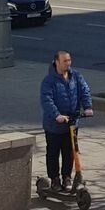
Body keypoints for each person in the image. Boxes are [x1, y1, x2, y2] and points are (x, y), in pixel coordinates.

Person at [40, 50, 93, 192]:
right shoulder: (49, 81)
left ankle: (67, 177)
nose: (68, 63)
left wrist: (87, 107)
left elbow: (85, 91)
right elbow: (47, 100)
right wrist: (57, 115)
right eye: (65, 61)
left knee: (70, 152)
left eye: (69, 60)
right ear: (57, 62)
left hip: (72, 123)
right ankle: (55, 179)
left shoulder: (76, 76)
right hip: (54, 125)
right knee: (53, 152)